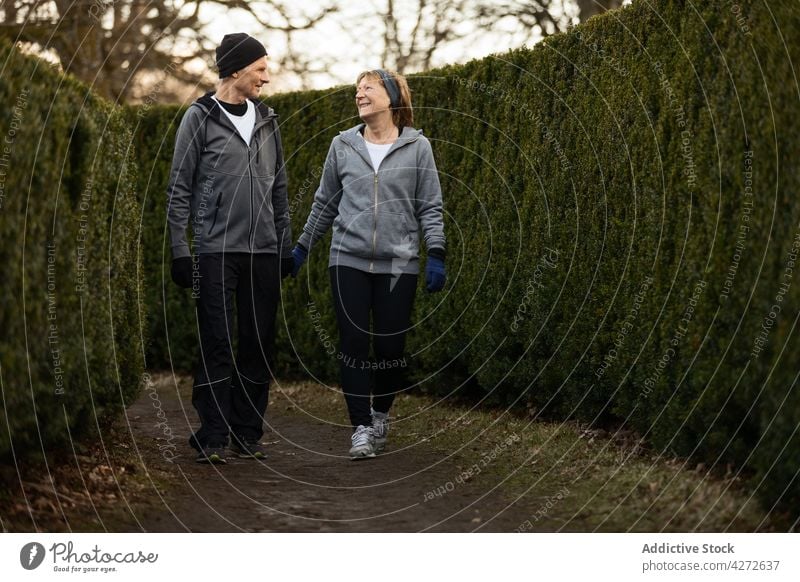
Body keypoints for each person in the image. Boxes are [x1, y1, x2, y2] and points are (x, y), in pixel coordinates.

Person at [292, 69, 446, 459]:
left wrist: (437, 253)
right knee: (354, 343)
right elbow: (324, 203)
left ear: (391, 97)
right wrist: (301, 248)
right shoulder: (341, 146)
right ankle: (360, 427)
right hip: (348, 258)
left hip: (399, 263)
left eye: (368, 88)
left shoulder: (417, 148)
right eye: (357, 89)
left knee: (391, 347)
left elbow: (429, 205)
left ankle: (380, 413)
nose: (359, 94)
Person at [166, 33, 293, 464]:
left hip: (263, 252)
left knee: (257, 344)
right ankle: (213, 435)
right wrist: (180, 250)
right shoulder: (199, 118)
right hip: (214, 251)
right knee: (217, 342)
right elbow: (179, 189)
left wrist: (285, 246)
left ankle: (247, 433)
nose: (266, 78)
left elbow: (279, 189)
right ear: (236, 69)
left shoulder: (268, 120)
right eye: (260, 69)